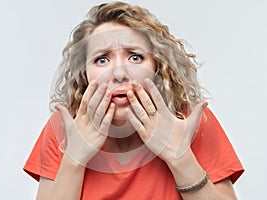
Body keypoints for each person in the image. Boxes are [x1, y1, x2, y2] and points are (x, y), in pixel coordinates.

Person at [23, 2, 244, 199]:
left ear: (156, 66)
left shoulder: (188, 121)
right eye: (102, 59)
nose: (119, 73)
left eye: (135, 57)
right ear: (84, 74)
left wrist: (181, 159)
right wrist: (74, 158)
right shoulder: (65, 128)